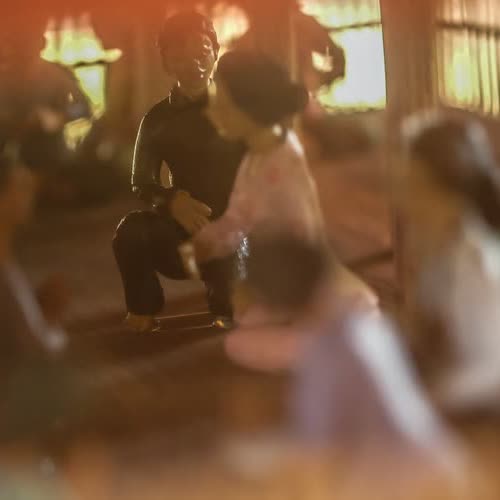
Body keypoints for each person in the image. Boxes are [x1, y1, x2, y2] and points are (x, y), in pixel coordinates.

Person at [181, 49, 375, 326]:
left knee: (251, 331)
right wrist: (206, 242)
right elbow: (239, 218)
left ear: (251, 107)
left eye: (223, 106)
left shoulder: (281, 165)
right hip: (277, 274)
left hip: (302, 283)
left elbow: (301, 237)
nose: (212, 113)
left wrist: (259, 283)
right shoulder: (257, 156)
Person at [112, 12, 245, 332]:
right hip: (183, 233)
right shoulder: (157, 119)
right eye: (180, 56)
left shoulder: (239, 111)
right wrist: (171, 201)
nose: (193, 63)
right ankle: (142, 308)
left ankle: (230, 298)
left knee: (232, 308)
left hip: (235, 231)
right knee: (131, 231)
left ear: (216, 52)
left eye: (202, 52)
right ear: (166, 63)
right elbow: (141, 180)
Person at [401, 111, 500, 415]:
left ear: (444, 189)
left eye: (414, 185)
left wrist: (421, 402)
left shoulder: (476, 261)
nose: (406, 199)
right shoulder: (443, 249)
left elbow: (492, 371)